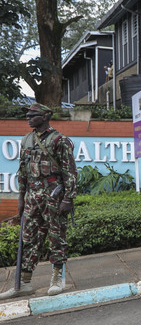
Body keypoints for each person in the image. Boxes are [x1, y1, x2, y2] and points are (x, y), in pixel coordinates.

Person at [0, 103, 78, 299]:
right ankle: (23, 283)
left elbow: (70, 172)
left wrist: (68, 199)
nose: (28, 118)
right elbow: (23, 171)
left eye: (32, 115)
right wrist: (21, 197)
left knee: (56, 237)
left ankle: (57, 279)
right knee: (29, 239)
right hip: (32, 197)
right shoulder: (26, 140)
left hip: (53, 196)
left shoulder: (59, 140)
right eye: (27, 115)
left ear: (44, 117)